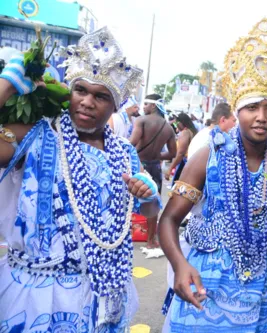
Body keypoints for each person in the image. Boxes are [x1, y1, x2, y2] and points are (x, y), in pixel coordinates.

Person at [0, 27, 161, 332]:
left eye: (101, 96)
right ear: (68, 92)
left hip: (101, 297)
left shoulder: (125, 154)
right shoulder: (35, 135)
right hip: (34, 295)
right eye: (80, 91)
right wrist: (6, 86)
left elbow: (147, 212)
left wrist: (150, 197)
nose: (87, 102)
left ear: (115, 106)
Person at [159, 18, 267, 332]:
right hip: (206, 288)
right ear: (237, 111)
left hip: (263, 292)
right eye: (252, 108)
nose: (261, 118)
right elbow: (168, 220)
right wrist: (180, 265)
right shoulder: (209, 155)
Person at [130, 94, 177, 248]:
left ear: (153, 106)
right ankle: (151, 240)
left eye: (146, 104)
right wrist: (157, 154)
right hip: (155, 167)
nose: (143, 108)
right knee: (152, 203)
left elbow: (131, 145)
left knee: (127, 199)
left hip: (139, 165)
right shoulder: (168, 127)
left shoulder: (142, 121)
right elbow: (172, 153)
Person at [164, 112, 198, 183]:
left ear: (182, 123)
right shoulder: (192, 132)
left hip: (184, 165)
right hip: (192, 164)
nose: (175, 125)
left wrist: (170, 169)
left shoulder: (185, 133)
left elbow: (180, 153)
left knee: (177, 189)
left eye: (176, 123)